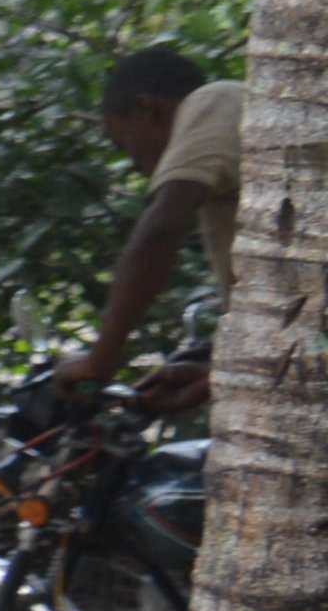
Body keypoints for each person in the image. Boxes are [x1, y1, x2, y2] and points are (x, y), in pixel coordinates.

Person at [53, 46, 234, 420]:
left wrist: (100, 359)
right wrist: (215, 374)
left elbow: (159, 231)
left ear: (145, 109)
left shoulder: (212, 101)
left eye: (124, 144)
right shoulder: (219, 179)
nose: (134, 164)